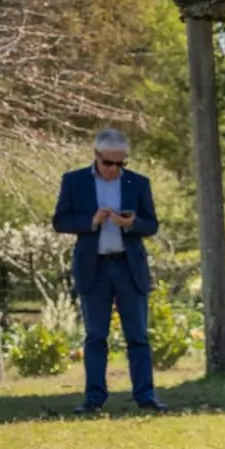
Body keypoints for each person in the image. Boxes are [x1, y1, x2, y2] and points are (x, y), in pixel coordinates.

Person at [52, 128, 164, 413]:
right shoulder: (75, 181)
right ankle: (93, 400)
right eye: (109, 163)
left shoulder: (138, 183)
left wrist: (132, 224)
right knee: (95, 337)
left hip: (129, 268)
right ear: (96, 157)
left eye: (120, 163)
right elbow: (60, 221)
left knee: (138, 337)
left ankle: (146, 397)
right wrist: (91, 220)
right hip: (94, 268)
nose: (114, 169)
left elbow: (151, 224)